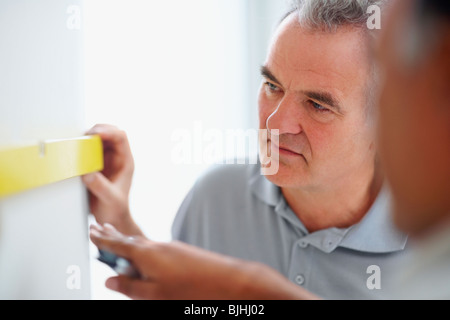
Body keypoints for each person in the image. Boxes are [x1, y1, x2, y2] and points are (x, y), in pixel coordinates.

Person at [88, 0, 450, 300]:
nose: (275, 124)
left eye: (317, 105)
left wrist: (249, 287)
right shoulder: (217, 196)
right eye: (272, 86)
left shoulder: (432, 243)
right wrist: (118, 222)